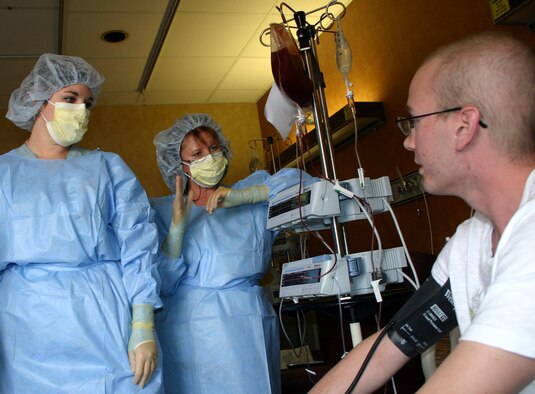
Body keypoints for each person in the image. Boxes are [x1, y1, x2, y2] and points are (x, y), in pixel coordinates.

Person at [310, 32, 535, 393]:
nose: (408, 140)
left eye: (413, 121)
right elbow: (390, 345)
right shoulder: (470, 242)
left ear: (464, 126)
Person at [0, 53, 163, 392]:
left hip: (103, 315)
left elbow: (139, 244)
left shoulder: (107, 167)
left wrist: (143, 323)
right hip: (28, 327)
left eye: (87, 104)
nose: (81, 111)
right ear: (38, 101)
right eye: (69, 99)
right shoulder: (4, 174)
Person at [150, 113, 313, 393]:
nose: (210, 157)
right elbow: (159, 284)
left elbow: (305, 185)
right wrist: (177, 230)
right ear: (180, 166)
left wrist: (247, 196)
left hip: (250, 324)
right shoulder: (162, 211)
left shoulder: (248, 196)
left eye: (214, 148)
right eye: (198, 153)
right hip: (191, 332)